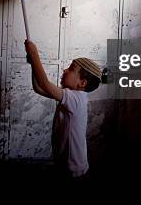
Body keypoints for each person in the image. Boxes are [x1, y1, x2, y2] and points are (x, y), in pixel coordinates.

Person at [24, 40, 101, 181]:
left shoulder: (76, 99)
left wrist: (35, 54)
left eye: (71, 69)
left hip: (73, 170)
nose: (65, 70)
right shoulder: (73, 96)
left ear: (82, 83)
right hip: (66, 166)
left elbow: (44, 84)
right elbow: (39, 88)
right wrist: (32, 65)